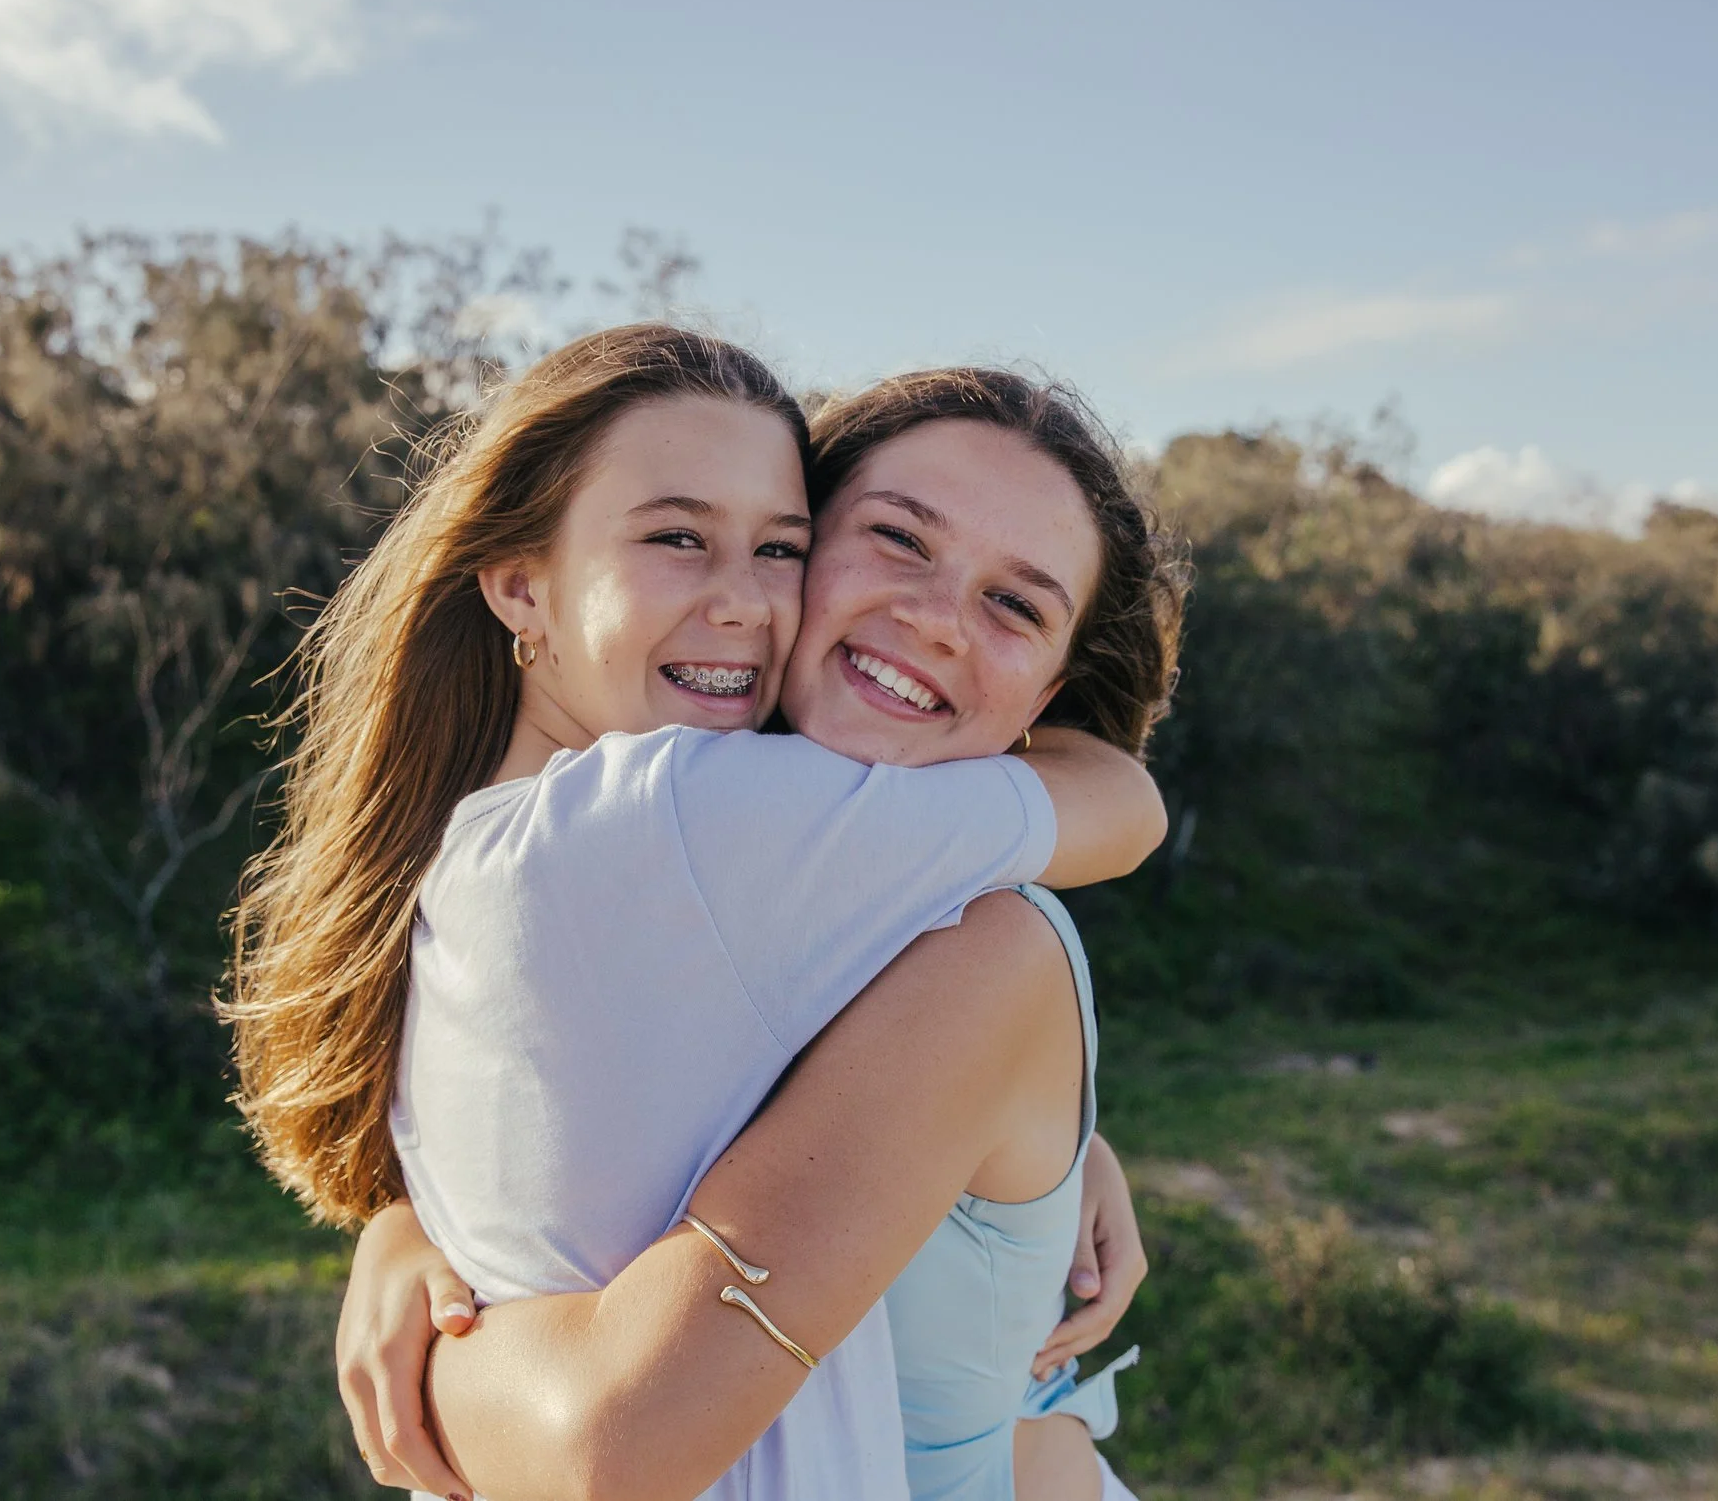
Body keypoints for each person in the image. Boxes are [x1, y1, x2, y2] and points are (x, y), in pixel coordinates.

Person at [228, 329, 1178, 1499]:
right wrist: (413, 1234)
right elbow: (1123, 804)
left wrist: (1051, 1138)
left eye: (1014, 606)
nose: (934, 620)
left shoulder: (878, 912)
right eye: (893, 536)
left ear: (1049, 691)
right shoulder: (679, 815)